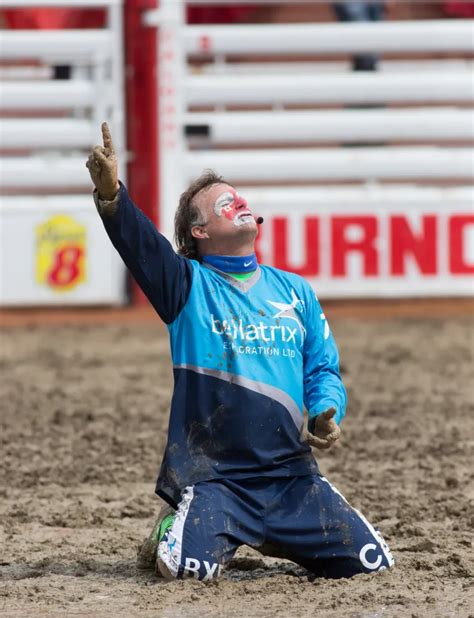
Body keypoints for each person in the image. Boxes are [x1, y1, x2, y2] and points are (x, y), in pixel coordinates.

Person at [86, 123, 394, 582]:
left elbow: (322, 367)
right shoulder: (186, 285)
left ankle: (276, 532)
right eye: (225, 203)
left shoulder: (296, 291)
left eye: (243, 199)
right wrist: (112, 195)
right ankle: (173, 524)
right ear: (200, 230)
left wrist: (327, 409)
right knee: (184, 571)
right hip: (217, 480)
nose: (242, 204)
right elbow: (141, 245)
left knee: (374, 566)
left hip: (293, 480)